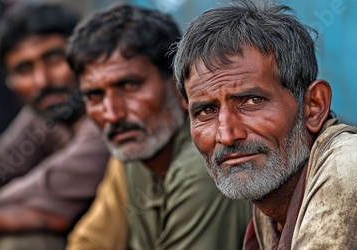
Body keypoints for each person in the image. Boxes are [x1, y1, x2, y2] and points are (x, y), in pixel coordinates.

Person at [173, 1, 357, 250]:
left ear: (313, 105)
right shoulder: (272, 196)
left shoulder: (351, 167)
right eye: (206, 111)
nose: (227, 135)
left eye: (252, 101)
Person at [65, 3, 251, 250]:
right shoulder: (133, 151)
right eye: (95, 95)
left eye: (130, 86)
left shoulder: (205, 165)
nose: (112, 113)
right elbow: (91, 242)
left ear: (179, 86)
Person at [0, 3, 109, 249]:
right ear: (9, 81)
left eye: (54, 59)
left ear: (83, 57)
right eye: (24, 69)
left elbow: (46, 206)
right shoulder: (47, 110)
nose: (42, 80)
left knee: (18, 243)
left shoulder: (107, 114)